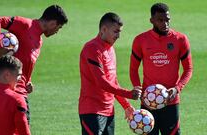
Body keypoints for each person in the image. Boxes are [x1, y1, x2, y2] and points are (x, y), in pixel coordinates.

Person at [0, 5, 68, 123]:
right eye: (59, 28)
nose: (57, 32)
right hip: (7, 90)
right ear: (53, 23)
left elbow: (25, 62)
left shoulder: (39, 41)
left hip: (20, 90)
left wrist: (28, 81)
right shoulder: (25, 25)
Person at [129, 3, 193, 135]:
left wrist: (177, 88)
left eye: (167, 19)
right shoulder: (140, 40)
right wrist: (138, 88)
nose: (165, 23)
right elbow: (133, 69)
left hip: (171, 102)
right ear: (151, 20)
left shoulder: (180, 40)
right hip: (148, 102)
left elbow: (188, 69)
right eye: (160, 20)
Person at [78, 12, 142, 135]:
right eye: (116, 31)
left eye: (120, 32)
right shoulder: (92, 49)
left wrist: (126, 105)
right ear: (103, 29)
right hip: (92, 111)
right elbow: (101, 82)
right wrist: (129, 94)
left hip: (109, 111)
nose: (118, 36)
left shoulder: (110, 50)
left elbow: (113, 82)